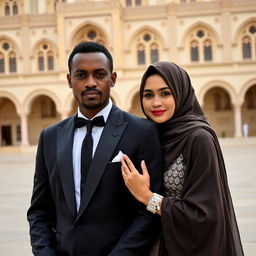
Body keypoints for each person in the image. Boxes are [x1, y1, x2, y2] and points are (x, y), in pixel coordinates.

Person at [27, 41, 163, 256]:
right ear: (70, 81)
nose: (90, 83)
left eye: (99, 74)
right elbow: (39, 211)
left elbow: (148, 212)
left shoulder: (143, 132)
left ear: (113, 79)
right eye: (81, 75)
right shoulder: (50, 137)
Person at [121, 62, 244, 256]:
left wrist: (147, 197)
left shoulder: (198, 139)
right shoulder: (151, 136)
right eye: (148, 95)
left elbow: (204, 214)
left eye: (165, 93)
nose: (156, 103)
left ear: (181, 92)